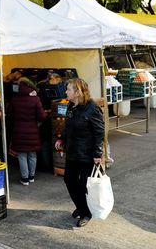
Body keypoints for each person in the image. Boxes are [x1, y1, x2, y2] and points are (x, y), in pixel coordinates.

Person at [54, 78, 104, 227]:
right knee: (69, 180)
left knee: (84, 185)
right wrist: (62, 139)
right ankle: (81, 206)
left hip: (86, 154)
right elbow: (68, 126)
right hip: (72, 152)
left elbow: (99, 132)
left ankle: (86, 213)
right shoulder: (71, 105)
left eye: (69, 89)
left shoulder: (92, 108)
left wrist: (97, 154)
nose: (66, 92)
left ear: (77, 92)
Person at [9, 77, 47, 186]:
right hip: (33, 131)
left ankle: (24, 179)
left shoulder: (15, 99)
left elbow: (10, 115)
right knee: (32, 154)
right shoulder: (35, 99)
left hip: (18, 131)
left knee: (21, 155)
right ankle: (31, 177)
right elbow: (42, 117)